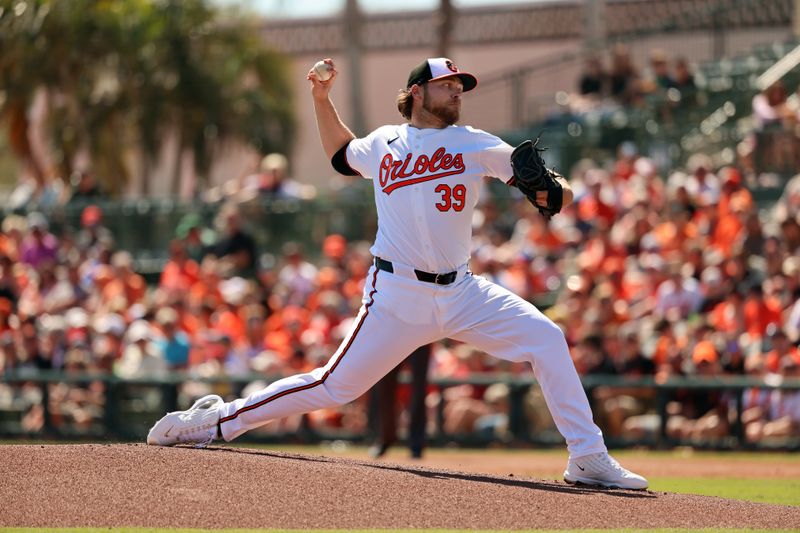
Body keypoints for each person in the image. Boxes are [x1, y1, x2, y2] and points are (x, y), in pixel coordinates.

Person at [147, 57, 648, 490]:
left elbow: (545, 182)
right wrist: (321, 97)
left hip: (463, 291)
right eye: (447, 84)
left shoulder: (474, 142)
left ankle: (587, 457)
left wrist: (558, 189)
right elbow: (342, 155)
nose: (456, 91)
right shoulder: (385, 142)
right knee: (332, 386)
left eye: (460, 86)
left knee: (546, 337)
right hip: (396, 293)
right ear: (417, 92)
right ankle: (215, 422)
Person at [368, 343, 431, 459]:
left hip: (421, 335)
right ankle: (386, 438)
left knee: (419, 390)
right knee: (384, 388)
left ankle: (416, 443)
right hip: (392, 337)